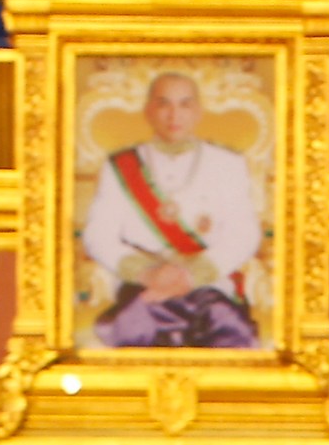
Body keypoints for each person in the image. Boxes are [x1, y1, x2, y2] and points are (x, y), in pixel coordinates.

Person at [79, 70, 264, 349]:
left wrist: (192, 275)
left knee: (232, 337)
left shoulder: (228, 164)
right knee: (132, 332)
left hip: (209, 287)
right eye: (164, 104)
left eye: (185, 105)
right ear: (149, 111)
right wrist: (148, 273)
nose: (173, 115)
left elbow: (244, 234)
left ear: (198, 112)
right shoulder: (120, 166)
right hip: (145, 288)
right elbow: (98, 235)